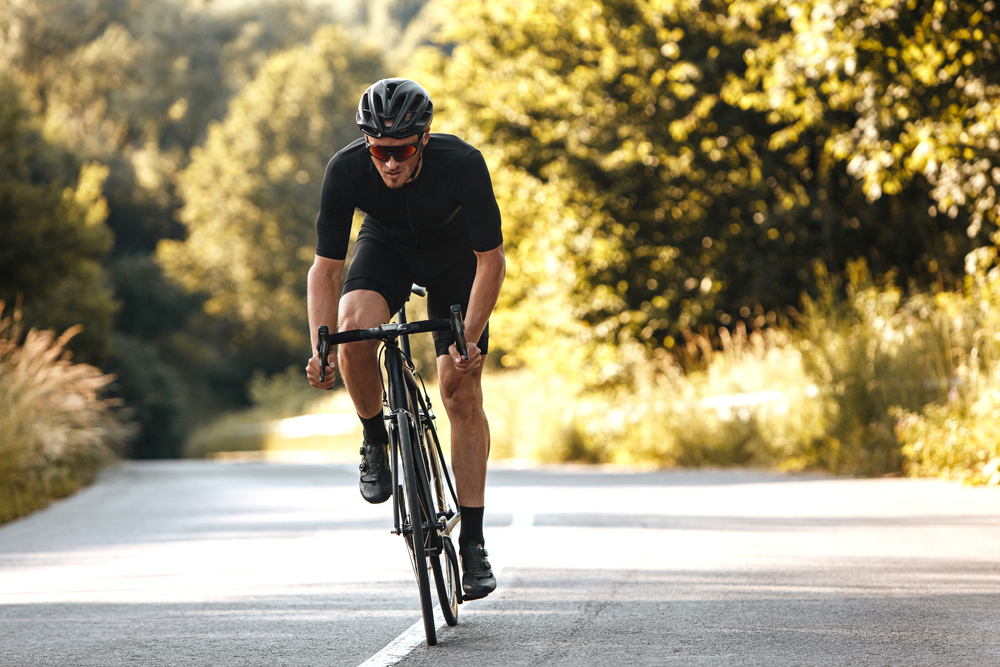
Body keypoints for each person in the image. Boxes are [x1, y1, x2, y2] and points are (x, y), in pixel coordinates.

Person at [305, 78, 504, 601]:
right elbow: (325, 272)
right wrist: (320, 347)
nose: (389, 163)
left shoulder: (462, 163)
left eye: (402, 151)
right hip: (387, 248)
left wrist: (468, 339)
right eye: (379, 151)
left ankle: (474, 545)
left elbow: (492, 261)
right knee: (353, 330)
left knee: (460, 389)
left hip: (456, 258)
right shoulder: (345, 170)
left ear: (424, 139)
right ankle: (375, 439)